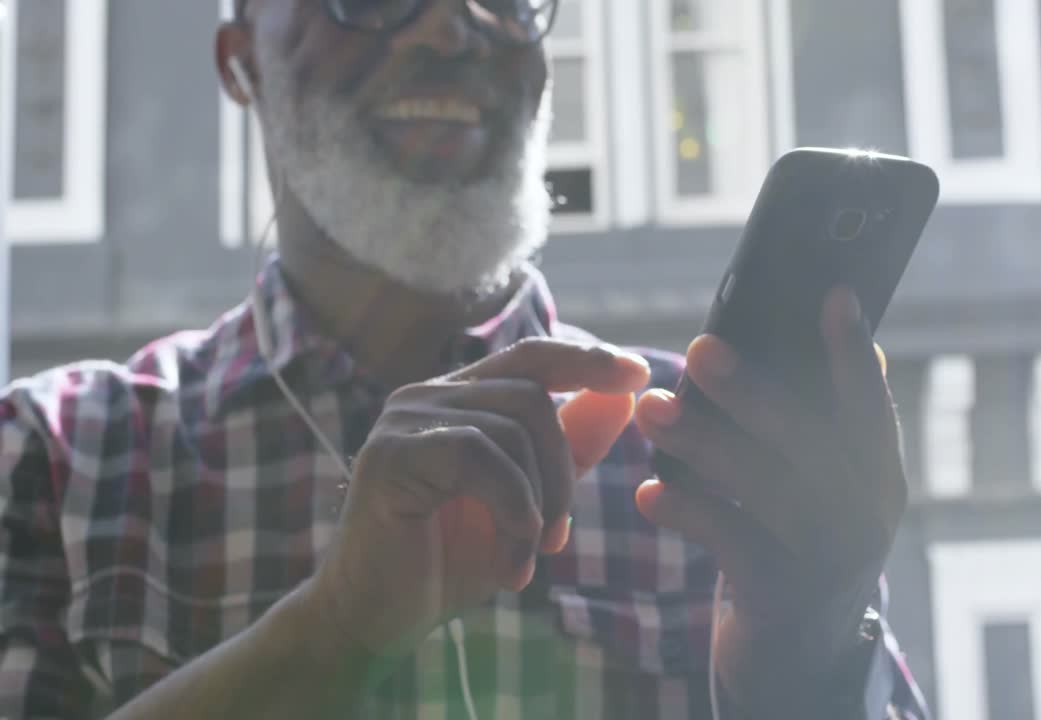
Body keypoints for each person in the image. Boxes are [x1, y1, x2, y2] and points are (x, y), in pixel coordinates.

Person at [0, 1, 928, 718]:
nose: (451, 25)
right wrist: (335, 629)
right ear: (241, 62)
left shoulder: (719, 455)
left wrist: (809, 657)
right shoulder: (56, 461)